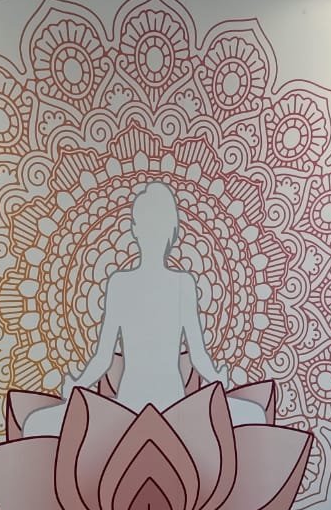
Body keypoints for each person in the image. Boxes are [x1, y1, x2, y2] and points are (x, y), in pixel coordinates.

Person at [22, 182, 263, 437]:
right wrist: (218, 377)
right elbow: (196, 357)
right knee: (254, 414)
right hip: (152, 405)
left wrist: (77, 383)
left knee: (36, 423)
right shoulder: (135, 284)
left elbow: (106, 358)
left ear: (137, 228)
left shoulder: (149, 284)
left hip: (153, 405)